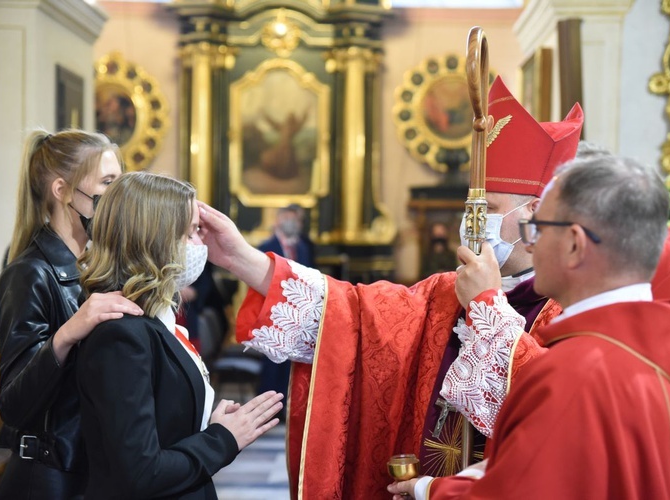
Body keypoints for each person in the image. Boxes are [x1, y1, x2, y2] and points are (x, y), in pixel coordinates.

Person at [195, 77, 583, 498]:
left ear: (536, 215)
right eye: (470, 208)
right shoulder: (443, 292)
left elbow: (553, 419)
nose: (472, 224)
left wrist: (488, 308)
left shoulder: (572, 307)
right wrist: (238, 257)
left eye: (487, 209)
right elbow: (348, 315)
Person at [389, 155, 670, 499]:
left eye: (539, 229)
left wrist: (430, 490)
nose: (531, 243)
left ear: (575, 244)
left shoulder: (573, 376)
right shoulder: (668, 356)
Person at [75, 172, 283, 499]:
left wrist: (208, 424)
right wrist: (223, 439)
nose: (201, 245)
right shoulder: (121, 335)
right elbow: (141, 473)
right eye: (190, 234)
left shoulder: (156, 319)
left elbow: (165, 427)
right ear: (153, 239)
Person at [0, 129, 143, 499]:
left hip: (87, 472)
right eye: (107, 183)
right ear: (62, 191)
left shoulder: (93, 267)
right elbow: (13, 404)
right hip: (47, 477)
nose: (117, 196)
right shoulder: (30, 272)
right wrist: (68, 332)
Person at [256, 205, 315, 421]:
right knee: (273, 365)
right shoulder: (266, 248)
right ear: (278, 219)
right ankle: (268, 412)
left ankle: (290, 407)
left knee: (293, 364)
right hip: (273, 316)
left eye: (296, 218)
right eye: (288, 217)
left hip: (299, 316)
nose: (292, 222)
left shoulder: (303, 248)